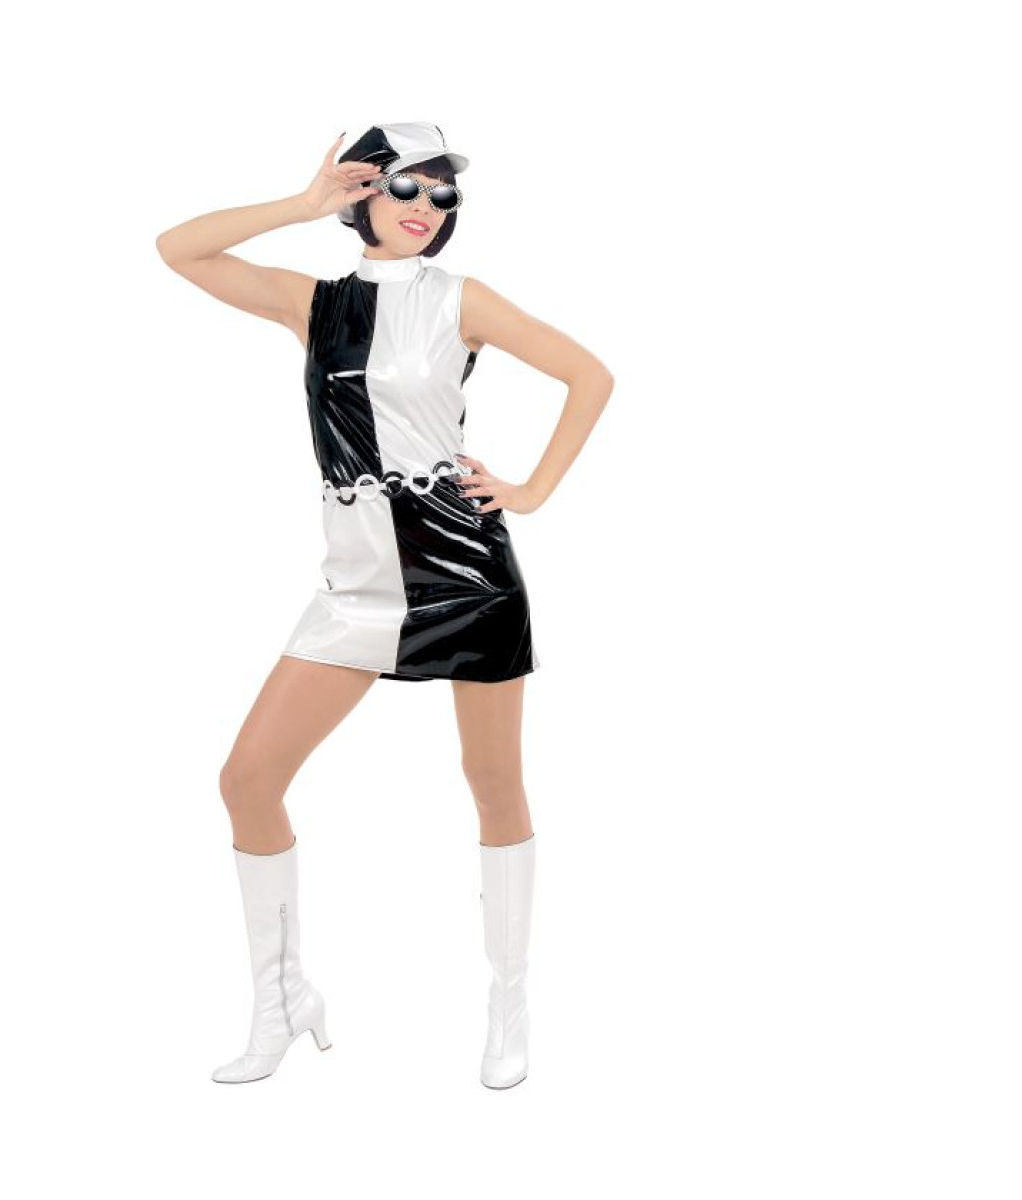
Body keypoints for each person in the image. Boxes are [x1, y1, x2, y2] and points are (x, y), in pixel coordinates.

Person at [155, 122, 612, 1088]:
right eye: (408, 185)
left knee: (492, 781)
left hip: (465, 569)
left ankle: (508, 1002)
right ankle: (283, 999)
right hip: (357, 583)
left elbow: (590, 375)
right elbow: (178, 248)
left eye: (444, 193)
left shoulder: (462, 299)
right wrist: (300, 203)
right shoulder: (312, 304)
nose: (427, 206)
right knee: (247, 780)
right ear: (363, 192)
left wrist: (530, 491)